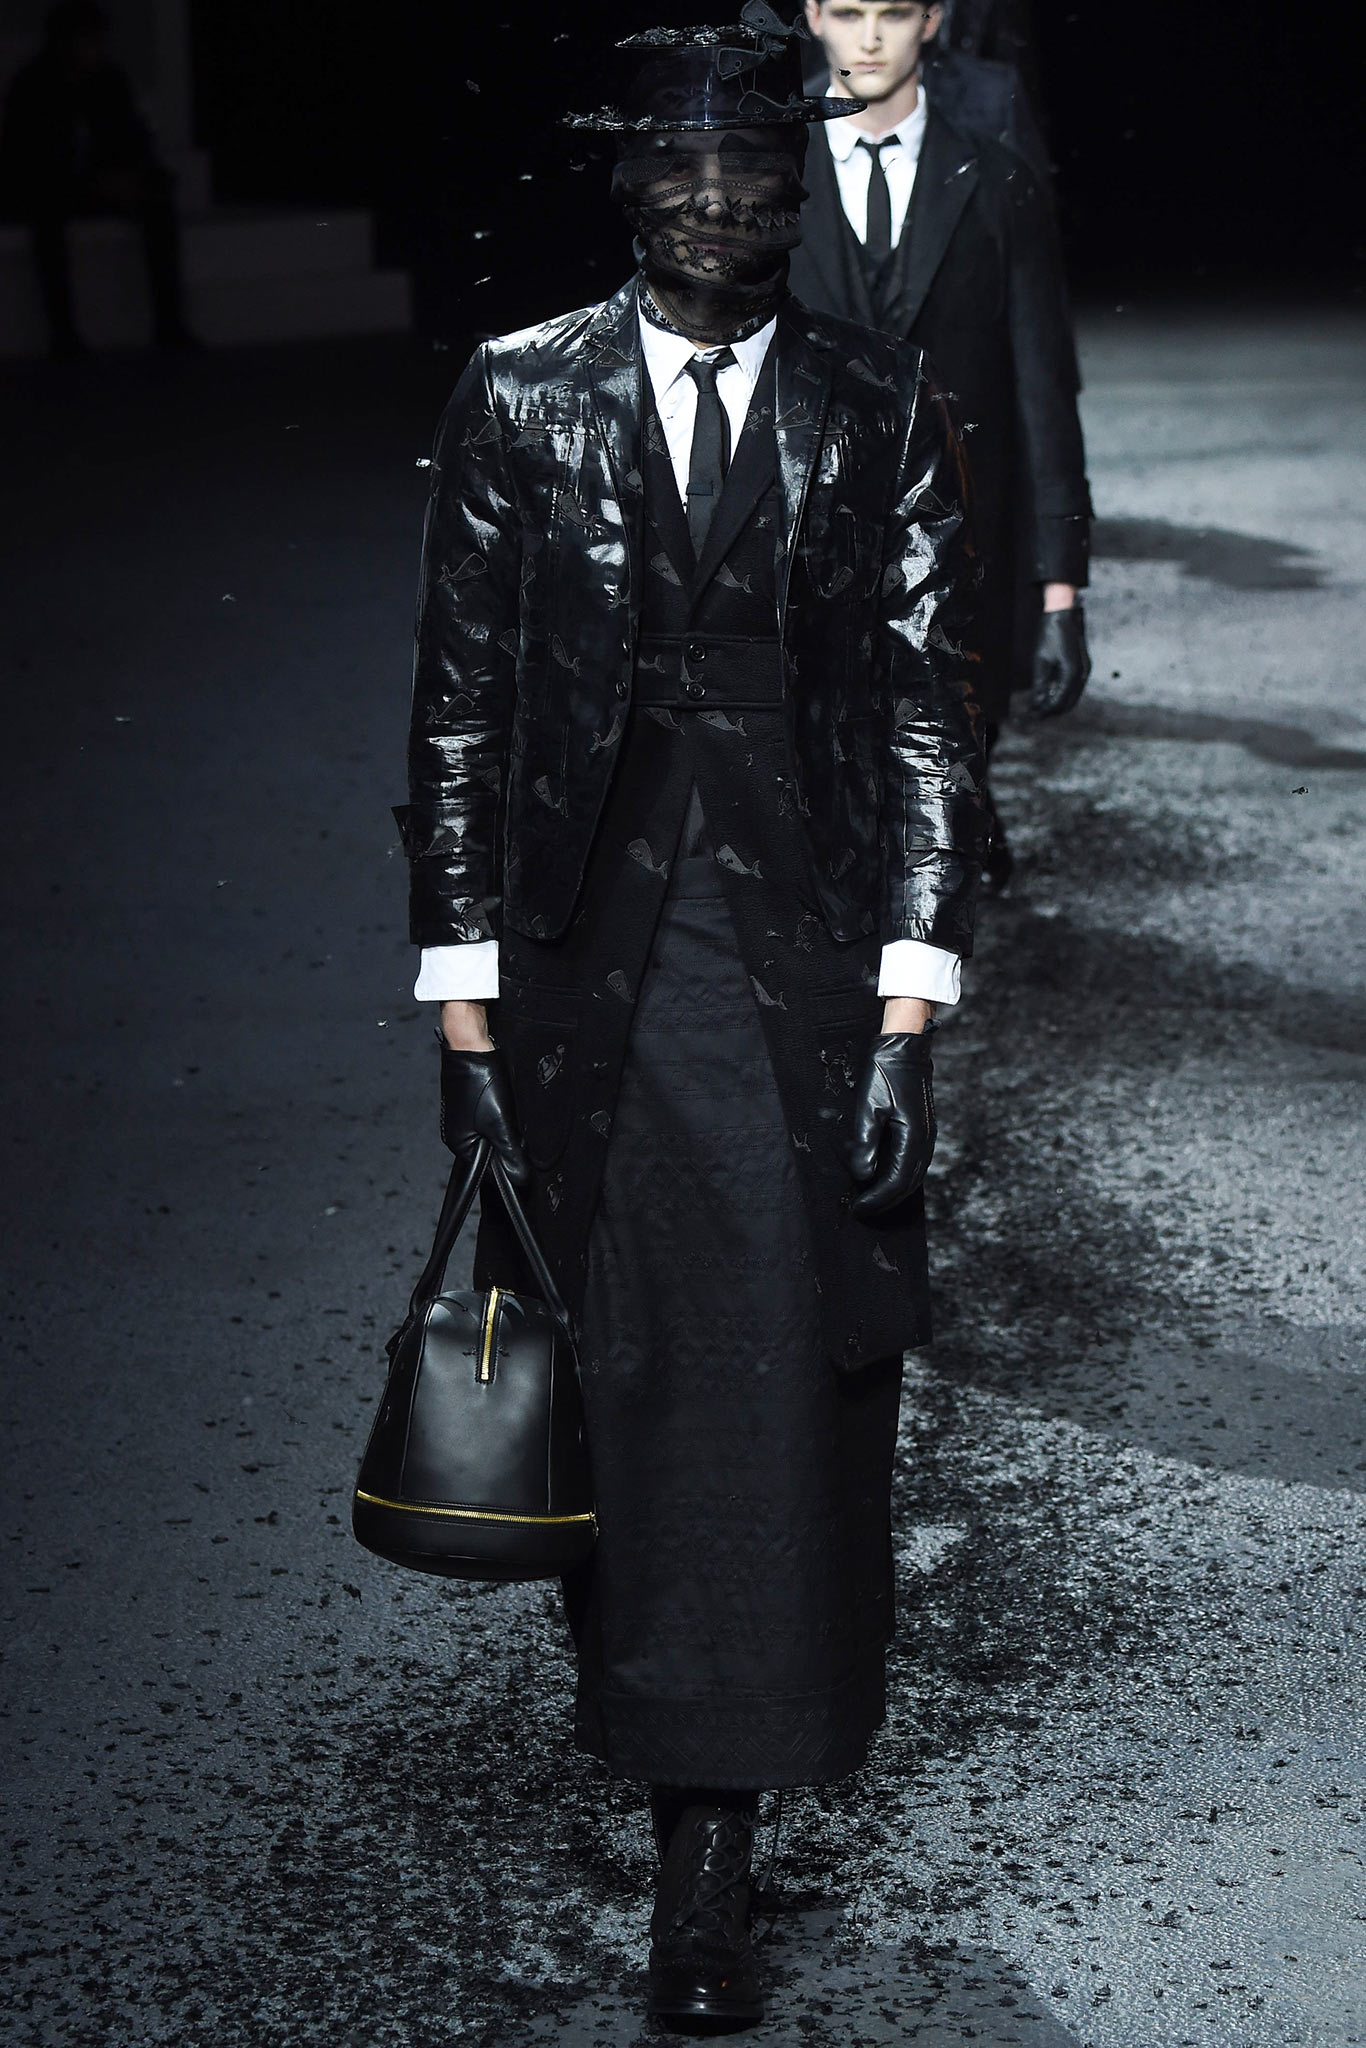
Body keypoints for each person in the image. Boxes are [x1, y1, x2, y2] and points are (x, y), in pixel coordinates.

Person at [395, 7, 984, 2027]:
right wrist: (465, 1020)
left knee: (789, 1377)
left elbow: (922, 710)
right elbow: (459, 711)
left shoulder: (873, 399)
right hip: (589, 977)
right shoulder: (518, 392)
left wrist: (907, 1011)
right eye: (680, 165)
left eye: (752, 167)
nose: (717, 200)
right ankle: (662, 1753)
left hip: (796, 972)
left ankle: (712, 1837)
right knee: (619, 1371)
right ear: (623, 183)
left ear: (796, 191)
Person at [791, 0, 1092, 886]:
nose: (869, 37)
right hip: (803, 546)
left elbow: (1042, 389)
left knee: (941, 819)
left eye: (892, 13)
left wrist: (1062, 594)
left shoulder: (997, 182)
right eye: (849, 12)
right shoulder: (762, 173)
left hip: (963, 547)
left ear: (932, 21)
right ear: (813, 17)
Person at [0, 0, 197, 357]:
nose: (96, 49)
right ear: (64, 42)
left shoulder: (109, 81)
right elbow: (28, 157)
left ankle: (169, 323)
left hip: (99, 184)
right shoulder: (33, 85)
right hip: (49, 187)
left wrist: (129, 176)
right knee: (47, 217)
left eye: (98, 40)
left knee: (157, 203)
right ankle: (63, 333)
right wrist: (89, 180)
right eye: (88, 40)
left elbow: (131, 136)